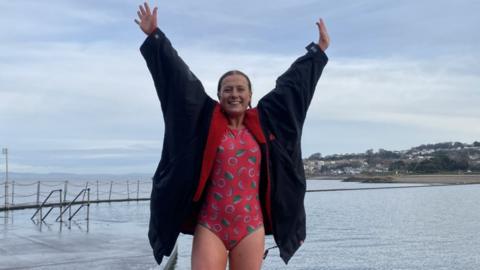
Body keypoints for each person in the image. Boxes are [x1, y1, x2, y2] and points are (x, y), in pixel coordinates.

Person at [135, 2, 329, 269]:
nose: (234, 94)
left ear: (250, 96)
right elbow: (179, 80)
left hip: (251, 226)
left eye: (240, 89)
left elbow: (293, 88)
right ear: (218, 96)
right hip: (210, 225)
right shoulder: (203, 121)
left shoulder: (266, 122)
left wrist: (317, 52)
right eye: (227, 89)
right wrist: (156, 37)